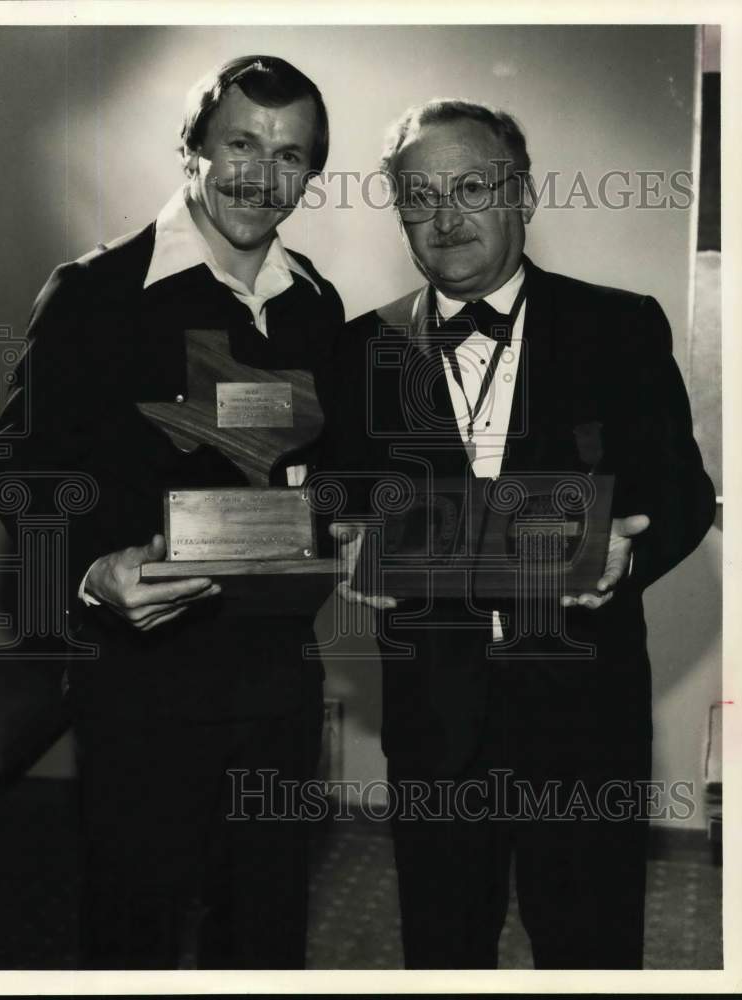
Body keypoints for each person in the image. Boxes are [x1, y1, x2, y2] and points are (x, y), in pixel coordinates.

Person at [330, 100, 716, 969]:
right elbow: (338, 497)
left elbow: (683, 495)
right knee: (441, 950)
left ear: (525, 195)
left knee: (590, 952)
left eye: (471, 186)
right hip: (433, 722)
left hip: (583, 717)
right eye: (419, 196)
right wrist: (345, 534)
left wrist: (628, 552)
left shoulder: (617, 326)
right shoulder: (362, 347)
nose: (445, 216)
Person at [0, 55, 343, 969]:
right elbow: (20, 469)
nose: (263, 175)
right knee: (129, 936)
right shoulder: (95, 293)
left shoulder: (314, 303)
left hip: (278, 686)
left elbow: (318, 474)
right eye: (240, 144)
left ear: (310, 174)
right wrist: (90, 569)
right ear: (191, 148)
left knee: (263, 938)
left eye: (291, 155)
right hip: (142, 683)